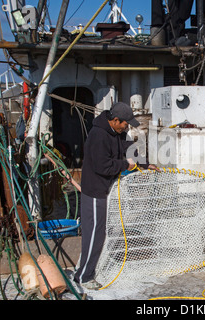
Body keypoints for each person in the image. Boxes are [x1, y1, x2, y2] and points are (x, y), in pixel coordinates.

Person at [74, 102, 159, 290]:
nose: (127, 126)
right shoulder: (98, 136)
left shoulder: (118, 133)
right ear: (114, 120)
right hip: (95, 192)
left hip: (104, 190)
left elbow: (130, 150)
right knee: (94, 234)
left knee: (99, 232)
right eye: (124, 123)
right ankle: (84, 277)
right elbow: (102, 166)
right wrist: (124, 166)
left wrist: (145, 164)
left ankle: (84, 273)